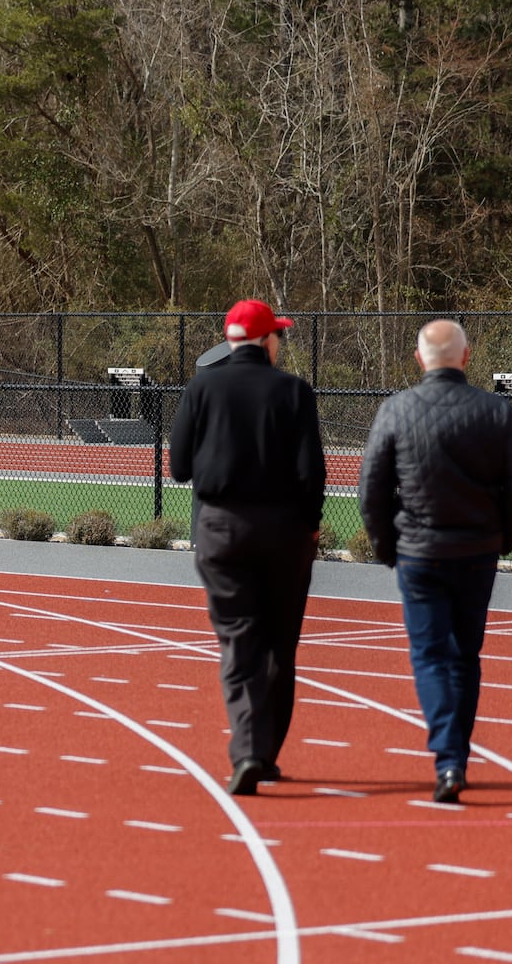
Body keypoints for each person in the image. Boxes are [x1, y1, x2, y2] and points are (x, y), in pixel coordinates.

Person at [358, 319, 512, 803]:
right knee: (464, 656)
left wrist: (386, 547)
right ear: (466, 356)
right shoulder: (495, 411)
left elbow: (371, 490)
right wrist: (502, 540)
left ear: (419, 360)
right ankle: (454, 757)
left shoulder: (396, 410)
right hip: (476, 553)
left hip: (419, 552)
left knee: (431, 655)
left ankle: (448, 758)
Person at [169, 299, 325, 796]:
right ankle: (266, 753)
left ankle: (248, 751)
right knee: (280, 644)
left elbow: (178, 466)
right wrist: (311, 527)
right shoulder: (293, 391)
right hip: (284, 530)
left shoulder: (202, 387)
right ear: (265, 341)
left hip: (221, 529)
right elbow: (312, 472)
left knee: (239, 640)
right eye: (278, 334)